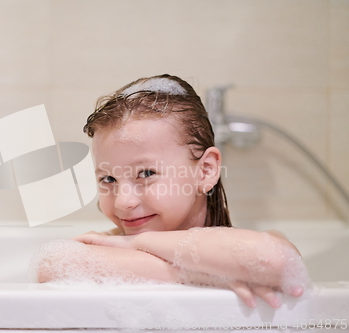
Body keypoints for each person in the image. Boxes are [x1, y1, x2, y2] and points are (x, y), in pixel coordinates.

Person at [34, 74, 310, 309]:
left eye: (146, 173)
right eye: (108, 178)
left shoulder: (240, 243)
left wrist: (131, 244)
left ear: (205, 171)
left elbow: (277, 262)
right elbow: (52, 263)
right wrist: (210, 275)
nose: (124, 202)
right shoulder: (108, 243)